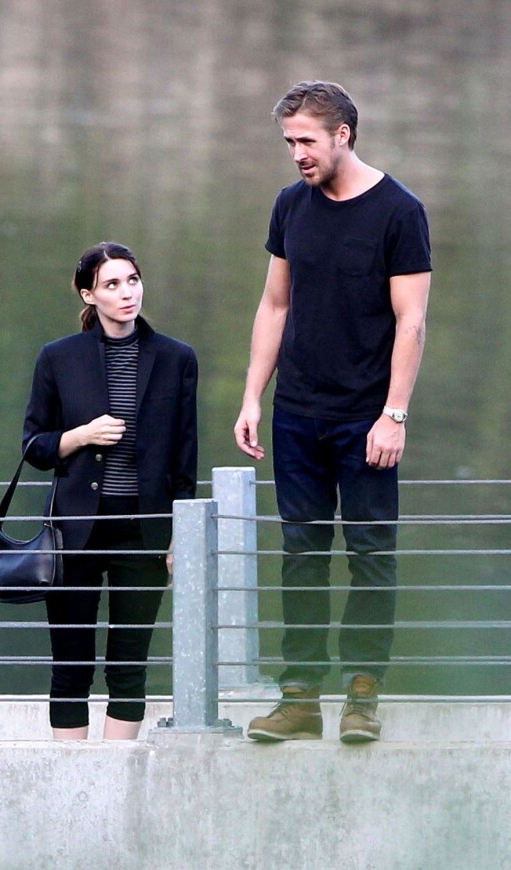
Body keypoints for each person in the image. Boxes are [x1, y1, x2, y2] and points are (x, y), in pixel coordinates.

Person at [234, 81, 431, 743]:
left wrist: (394, 414)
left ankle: (363, 696)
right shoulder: (291, 205)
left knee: (372, 554)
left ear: (343, 133)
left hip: (367, 418)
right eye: (289, 142)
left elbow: (412, 323)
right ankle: (299, 699)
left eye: (306, 141)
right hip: (297, 414)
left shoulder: (400, 211)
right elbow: (275, 306)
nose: (296, 154)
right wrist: (252, 397)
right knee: (301, 553)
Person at [23, 241, 198, 740]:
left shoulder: (175, 358)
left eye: (133, 281)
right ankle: (72, 781)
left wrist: (177, 534)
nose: (127, 294)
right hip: (75, 530)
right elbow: (34, 446)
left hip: (143, 530)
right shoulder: (58, 357)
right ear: (89, 295)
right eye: (112, 285)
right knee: (70, 665)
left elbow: (184, 456)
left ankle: (116, 779)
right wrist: (81, 435)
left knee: (129, 665)